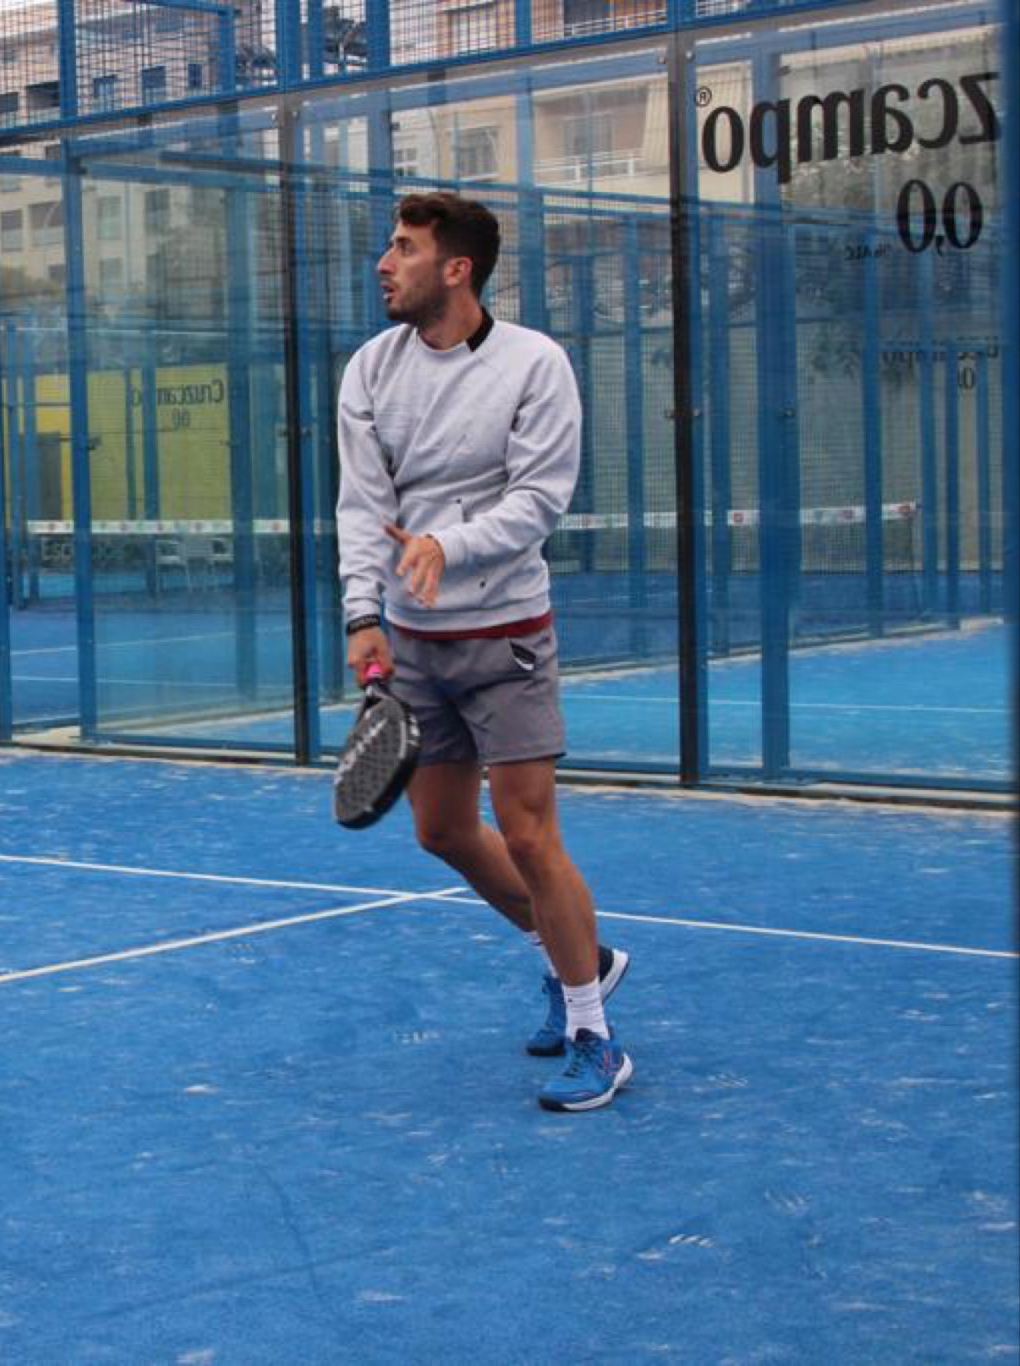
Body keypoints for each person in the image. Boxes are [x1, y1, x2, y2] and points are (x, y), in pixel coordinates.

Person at [336, 191, 632, 1112]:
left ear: (456, 268)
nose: (385, 264)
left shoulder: (535, 364)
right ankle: (583, 959)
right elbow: (361, 504)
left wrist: (447, 545)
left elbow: (539, 499)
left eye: (404, 248)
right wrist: (362, 613)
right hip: (417, 644)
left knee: (531, 833)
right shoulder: (370, 370)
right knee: (442, 831)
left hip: (506, 636)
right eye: (390, 246)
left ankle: (595, 1033)